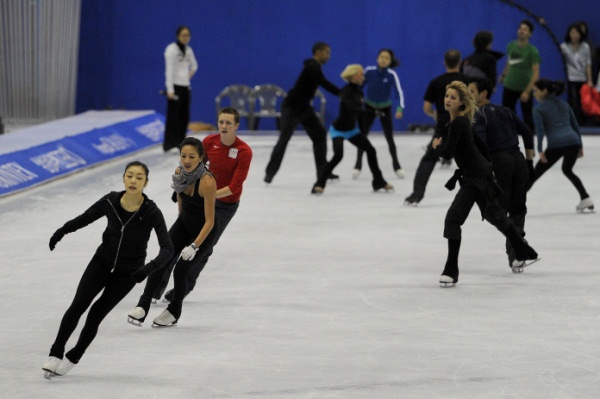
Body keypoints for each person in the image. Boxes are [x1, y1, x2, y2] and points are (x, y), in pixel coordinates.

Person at [42, 161, 173, 378]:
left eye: (139, 177)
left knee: (95, 315)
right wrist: (62, 231)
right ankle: (55, 352)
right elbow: (85, 217)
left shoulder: (151, 212)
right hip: (101, 262)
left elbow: (167, 249)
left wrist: (147, 269)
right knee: (78, 306)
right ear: (123, 178)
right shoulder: (111, 200)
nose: (133, 180)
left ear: (146, 183)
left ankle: (74, 356)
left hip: (129, 273)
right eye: (129, 175)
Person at [431, 81, 538, 287]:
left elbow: (446, 153)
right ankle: (523, 249)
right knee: (494, 215)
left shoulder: (458, 123)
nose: (448, 100)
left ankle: (451, 270)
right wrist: (488, 167)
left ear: (461, 103)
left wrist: (437, 146)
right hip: (478, 174)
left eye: (453, 97)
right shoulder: (463, 121)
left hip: (475, 178)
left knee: (453, 219)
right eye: (447, 96)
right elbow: (481, 146)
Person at [154, 107, 253, 302]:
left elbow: (235, 186)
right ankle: (157, 286)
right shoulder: (209, 142)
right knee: (176, 240)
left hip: (225, 204)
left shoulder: (244, 152)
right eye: (221, 122)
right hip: (202, 198)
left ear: (236, 126)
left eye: (228, 123)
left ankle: (183, 288)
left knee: (205, 246)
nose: (223, 126)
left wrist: (208, 195)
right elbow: (192, 166)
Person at [128, 137, 218, 327]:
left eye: (192, 156)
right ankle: (143, 304)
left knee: (181, 269)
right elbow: (181, 200)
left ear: (201, 158)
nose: (186, 160)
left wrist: (194, 246)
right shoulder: (179, 172)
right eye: (183, 155)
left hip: (204, 231)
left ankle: (174, 311)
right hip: (184, 224)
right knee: (162, 258)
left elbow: (210, 221)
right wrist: (180, 220)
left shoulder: (207, 182)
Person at [469, 77, 536, 267]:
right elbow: (528, 133)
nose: (469, 95)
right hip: (519, 159)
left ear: (484, 94)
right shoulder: (506, 111)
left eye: (472, 91)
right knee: (518, 207)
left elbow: (482, 145)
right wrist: (530, 163)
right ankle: (517, 251)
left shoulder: (479, 114)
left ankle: (516, 247)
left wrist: (486, 169)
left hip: (500, 162)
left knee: (496, 208)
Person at [264, 42, 341, 184]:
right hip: (291, 107)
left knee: (319, 135)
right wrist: (342, 93)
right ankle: (270, 173)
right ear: (318, 52)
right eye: (327, 52)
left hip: (304, 107)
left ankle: (322, 172)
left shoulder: (313, 66)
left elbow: (321, 82)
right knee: (284, 139)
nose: (329, 56)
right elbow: (323, 83)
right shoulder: (312, 66)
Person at [311, 64, 393, 194]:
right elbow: (351, 109)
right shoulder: (345, 91)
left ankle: (378, 181)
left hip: (352, 130)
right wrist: (372, 112)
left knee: (371, 150)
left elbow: (358, 113)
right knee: (338, 155)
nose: (363, 76)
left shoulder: (359, 92)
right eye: (360, 74)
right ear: (353, 76)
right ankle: (319, 183)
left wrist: (362, 132)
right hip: (338, 130)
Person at [404, 50, 468, 205]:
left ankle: (416, 194)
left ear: (444, 63)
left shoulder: (436, 82)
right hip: (465, 126)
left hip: (443, 128)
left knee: (429, 158)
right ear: (460, 62)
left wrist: (435, 115)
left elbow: (426, 106)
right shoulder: (467, 81)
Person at [529, 79, 594, 212]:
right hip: (573, 142)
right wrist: (580, 146)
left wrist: (540, 149)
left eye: (536, 91)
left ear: (544, 91)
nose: (534, 94)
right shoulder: (564, 104)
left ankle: (514, 202)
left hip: (556, 145)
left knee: (534, 174)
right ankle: (585, 197)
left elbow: (540, 130)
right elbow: (575, 126)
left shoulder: (538, 109)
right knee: (567, 169)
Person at [353, 48, 405, 179]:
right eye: (381, 57)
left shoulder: (392, 75)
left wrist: (400, 109)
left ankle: (396, 165)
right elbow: (358, 88)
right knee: (362, 137)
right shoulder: (369, 71)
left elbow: (399, 93)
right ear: (377, 58)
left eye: (386, 58)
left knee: (389, 138)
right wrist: (356, 101)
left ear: (390, 61)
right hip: (369, 108)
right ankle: (357, 165)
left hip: (384, 110)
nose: (383, 59)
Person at [500, 20, 541, 133]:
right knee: (507, 114)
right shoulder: (511, 45)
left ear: (530, 34)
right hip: (509, 85)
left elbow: (536, 73)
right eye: (520, 28)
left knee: (527, 117)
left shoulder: (532, 51)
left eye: (525, 29)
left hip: (524, 87)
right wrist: (503, 75)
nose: (522, 31)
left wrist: (527, 91)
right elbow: (509, 62)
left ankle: (531, 144)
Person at [163, 25, 198, 152]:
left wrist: (188, 75)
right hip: (175, 87)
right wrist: (170, 89)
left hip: (185, 87)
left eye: (188, 35)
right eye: (183, 35)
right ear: (178, 36)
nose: (186, 38)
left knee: (184, 116)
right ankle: (170, 144)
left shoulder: (188, 50)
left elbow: (195, 65)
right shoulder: (171, 50)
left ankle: (181, 142)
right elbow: (169, 71)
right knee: (174, 116)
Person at [560, 23, 594, 126]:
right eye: (572, 32)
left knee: (583, 102)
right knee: (573, 100)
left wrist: (590, 80)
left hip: (583, 78)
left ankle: (583, 122)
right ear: (569, 34)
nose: (574, 35)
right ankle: (574, 122)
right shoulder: (564, 47)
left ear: (580, 34)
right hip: (571, 78)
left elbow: (588, 64)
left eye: (576, 33)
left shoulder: (585, 46)